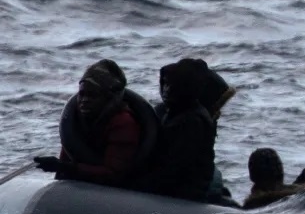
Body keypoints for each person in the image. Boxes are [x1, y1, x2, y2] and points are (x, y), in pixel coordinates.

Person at [35, 59, 157, 187]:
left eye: (92, 95)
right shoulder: (75, 121)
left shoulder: (123, 123)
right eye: (82, 94)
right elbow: (68, 157)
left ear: (109, 98)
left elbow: (115, 173)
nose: (84, 100)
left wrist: (65, 168)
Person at [138, 57, 229, 202]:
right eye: (165, 84)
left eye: (171, 85)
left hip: (186, 192)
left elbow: (175, 168)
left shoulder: (192, 121)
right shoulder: (169, 112)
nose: (166, 90)